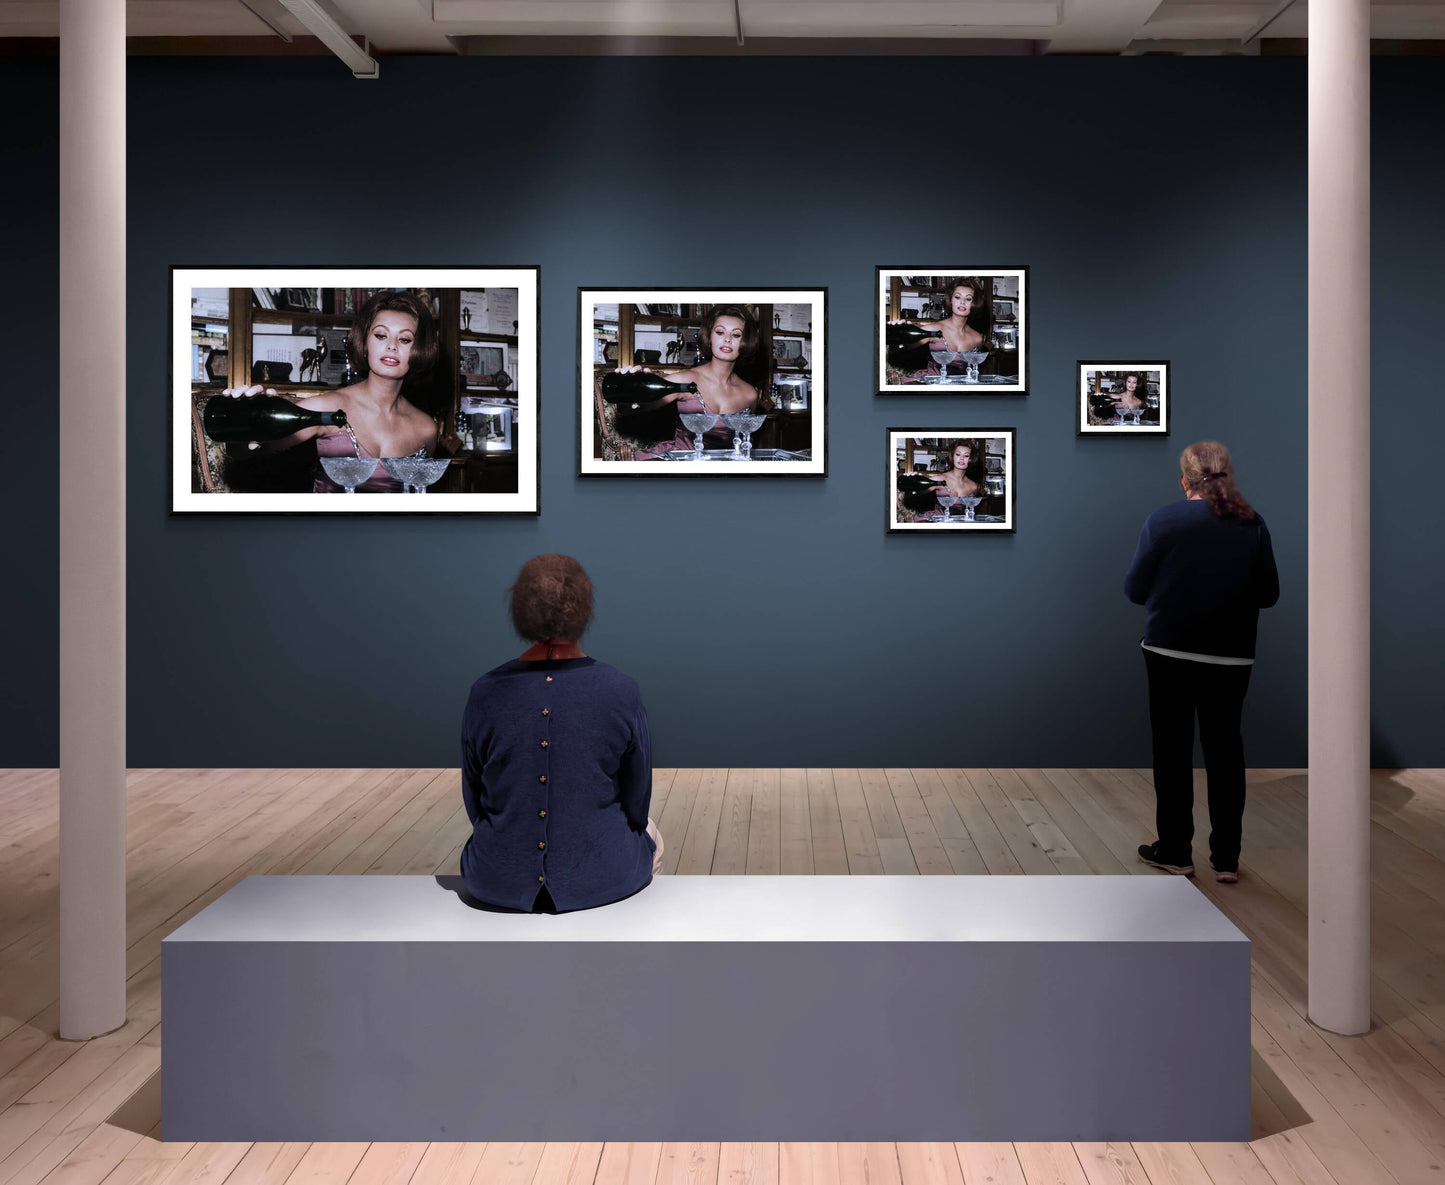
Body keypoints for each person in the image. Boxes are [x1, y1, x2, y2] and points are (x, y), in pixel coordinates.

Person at [459, 554, 664, 912]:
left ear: (520, 610)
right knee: (653, 834)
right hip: (604, 877)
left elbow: (475, 802)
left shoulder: (484, 692)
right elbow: (637, 802)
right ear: (584, 610)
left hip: (494, 880)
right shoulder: (621, 690)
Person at [1124, 442, 1279, 883]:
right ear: (1227, 476)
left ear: (1183, 480)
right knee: (1226, 751)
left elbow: (1135, 590)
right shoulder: (1253, 523)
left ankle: (1175, 851)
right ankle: (1226, 859)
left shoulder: (1163, 520)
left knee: (1171, 751)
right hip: (1231, 656)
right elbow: (1269, 593)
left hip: (1168, 651)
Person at [222, 290, 453, 492]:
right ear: (365, 343)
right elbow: (247, 452)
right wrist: (245, 422)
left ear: (420, 349)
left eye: (405, 339)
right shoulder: (327, 407)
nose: (391, 345)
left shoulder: (426, 429)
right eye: (381, 335)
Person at [614, 304, 771, 457]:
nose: (727, 339)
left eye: (736, 335)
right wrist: (629, 390)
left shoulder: (749, 394)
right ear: (709, 336)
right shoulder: (684, 379)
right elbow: (633, 408)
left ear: (745, 342)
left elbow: (746, 445)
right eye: (720, 332)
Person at [888, 278, 991, 380]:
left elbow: (974, 371)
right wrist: (898, 333)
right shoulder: (934, 329)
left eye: (968, 299)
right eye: (957, 297)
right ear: (950, 300)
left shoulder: (977, 338)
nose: (962, 302)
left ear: (974, 303)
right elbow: (902, 346)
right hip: (932, 383)